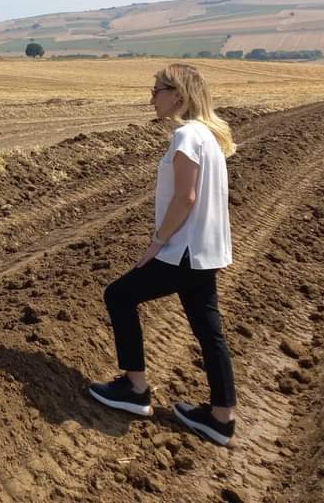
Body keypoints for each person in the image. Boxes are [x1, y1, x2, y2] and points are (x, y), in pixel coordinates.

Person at [88, 63, 238, 445]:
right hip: (205, 251)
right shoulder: (210, 136)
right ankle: (221, 416)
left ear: (179, 95)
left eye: (157, 90)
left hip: (183, 250)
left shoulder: (188, 136)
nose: (151, 97)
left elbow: (185, 197)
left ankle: (135, 390)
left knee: (118, 296)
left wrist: (158, 241)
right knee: (209, 330)